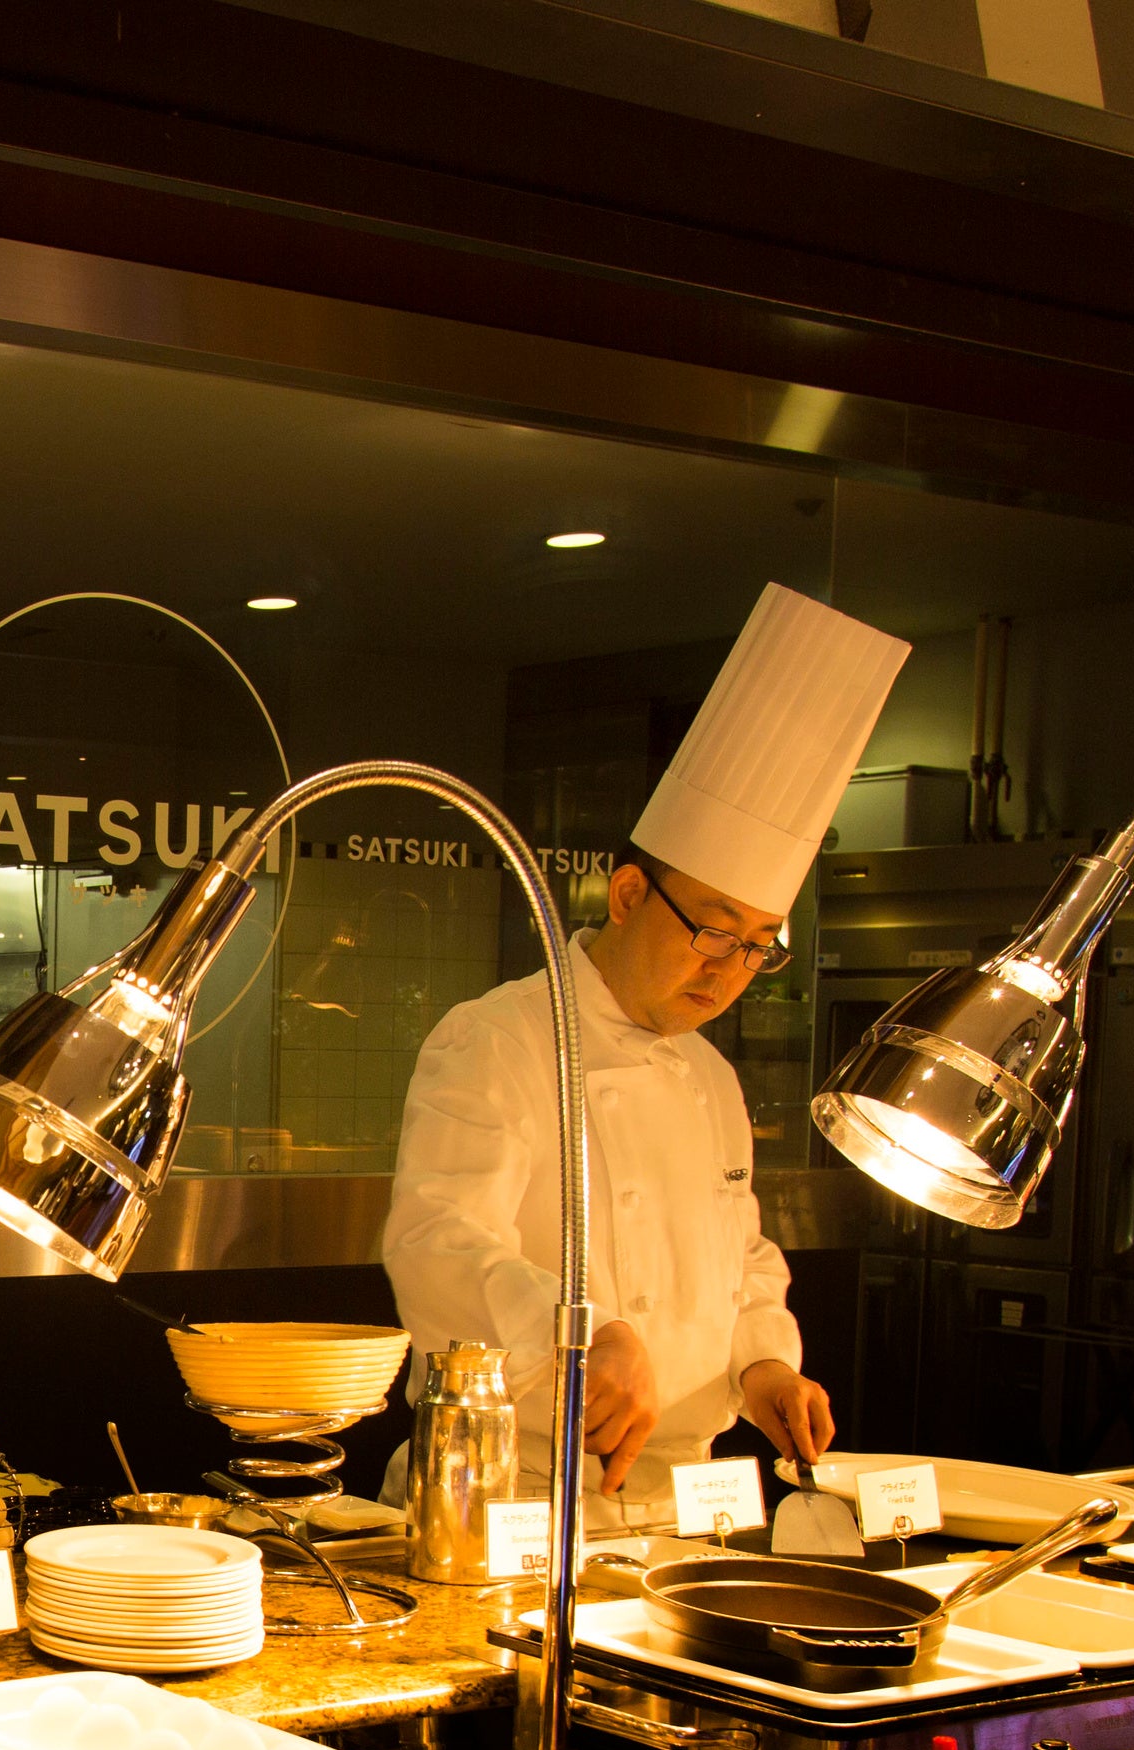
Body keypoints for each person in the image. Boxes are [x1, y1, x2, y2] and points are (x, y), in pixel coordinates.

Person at [385, 583, 910, 1531]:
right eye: (714, 931)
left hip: (688, 1505)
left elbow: (739, 1254)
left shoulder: (709, 1076)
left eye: (758, 946)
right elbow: (437, 1243)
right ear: (628, 895)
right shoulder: (499, 1039)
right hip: (515, 1494)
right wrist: (581, 1336)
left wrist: (764, 1365)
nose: (731, 970)